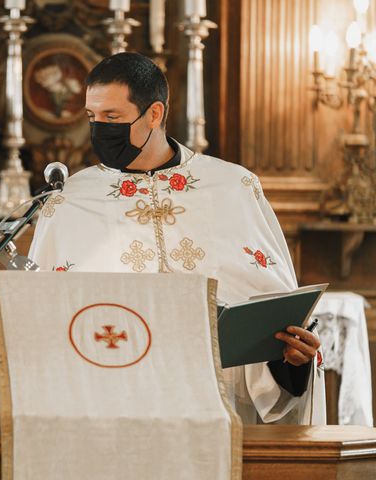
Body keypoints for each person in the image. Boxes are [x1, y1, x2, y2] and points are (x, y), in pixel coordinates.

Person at [29, 52, 325, 425]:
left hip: (216, 407)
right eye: (92, 117)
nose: (99, 128)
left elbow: (270, 313)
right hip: (111, 409)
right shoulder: (70, 199)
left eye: (113, 117)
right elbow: (43, 322)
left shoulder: (233, 187)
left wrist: (292, 359)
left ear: (154, 114)